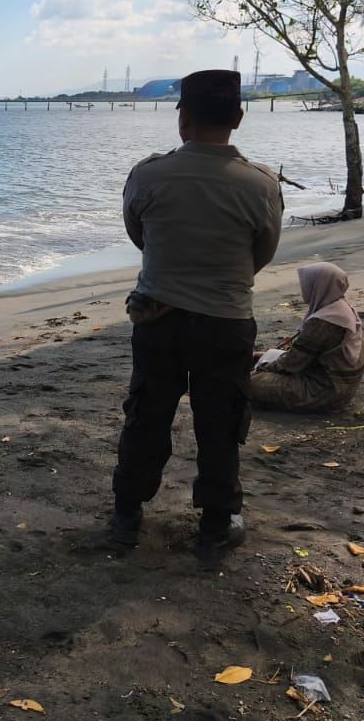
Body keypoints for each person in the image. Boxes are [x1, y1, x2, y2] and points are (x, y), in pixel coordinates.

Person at [111, 69, 284, 559]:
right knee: (220, 423)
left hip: (156, 316)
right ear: (238, 118)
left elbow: (137, 232)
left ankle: (127, 514)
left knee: (146, 415)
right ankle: (215, 523)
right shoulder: (260, 185)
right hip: (225, 320)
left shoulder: (147, 175)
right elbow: (263, 252)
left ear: (183, 118)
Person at [250, 262, 364, 413]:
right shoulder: (339, 309)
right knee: (257, 357)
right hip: (337, 386)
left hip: (323, 392)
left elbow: (291, 363)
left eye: (306, 283)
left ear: (319, 285)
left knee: (247, 381)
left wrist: (260, 368)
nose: (303, 288)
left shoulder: (325, 322)